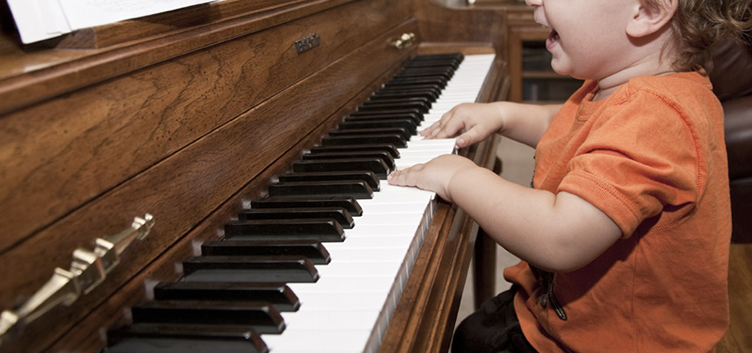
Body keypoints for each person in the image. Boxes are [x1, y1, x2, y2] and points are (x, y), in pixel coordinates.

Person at [387, 0, 752, 352]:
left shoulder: (654, 117)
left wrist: (459, 178)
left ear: (647, 12)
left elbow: (560, 237)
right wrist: (503, 114)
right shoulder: (630, 86)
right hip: (559, 312)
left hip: (612, 342)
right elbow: (569, 123)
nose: (531, 0)